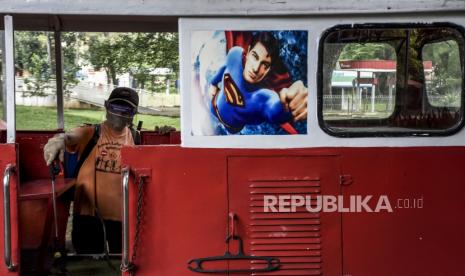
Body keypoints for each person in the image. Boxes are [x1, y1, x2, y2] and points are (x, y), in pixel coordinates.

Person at [43, 87, 140, 254]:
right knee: (86, 263)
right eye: (116, 107)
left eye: (126, 109)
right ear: (106, 106)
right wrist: (58, 140)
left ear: (133, 113)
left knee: (122, 263)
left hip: (123, 217)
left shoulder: (136, 137)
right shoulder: (90, 132)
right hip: (88, 216)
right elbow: (70, 136)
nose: (120, 113)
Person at [208, 32, 308, 134]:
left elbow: (276, 110)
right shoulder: (235, 54)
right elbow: (225, 67)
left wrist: (293, 102)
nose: (256, 68)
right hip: (212, 104)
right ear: (247, 52)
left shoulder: (264, 99)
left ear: (269, 70)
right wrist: (213, 83)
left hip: (231, 128)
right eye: (255, 56)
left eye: (264, 65)